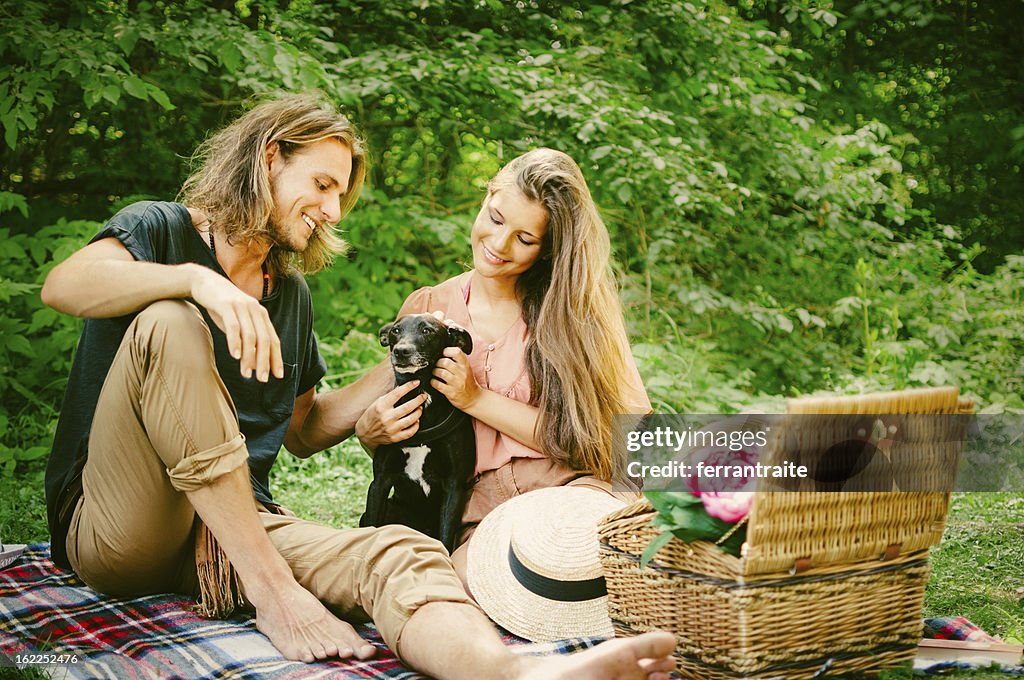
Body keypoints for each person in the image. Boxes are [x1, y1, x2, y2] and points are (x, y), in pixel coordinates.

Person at [40, 93, 676, 679]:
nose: (333, 210)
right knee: (169, 320)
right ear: (268, 159)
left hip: (227, 535)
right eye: (321, 185)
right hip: (116, 524)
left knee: (398, 550)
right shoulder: (160, 232)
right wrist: (196, 282)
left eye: (340, 194)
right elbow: (64, 286)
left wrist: (413, 353)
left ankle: (510, 673)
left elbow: (304, 432)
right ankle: (273, 594)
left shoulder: (287, 294)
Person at [355, 148, 651, 581]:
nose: (498, 245)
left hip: (568, 492)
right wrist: (369, 432)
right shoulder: (428, 308)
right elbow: (406, 449)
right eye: (495, 218)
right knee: (443, 589)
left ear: (549, 250)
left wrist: (475, 399)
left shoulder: (577, 317)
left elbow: (621, 441)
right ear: (486, 198)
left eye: (525, 239)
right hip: (475, 508)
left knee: (571, 560)